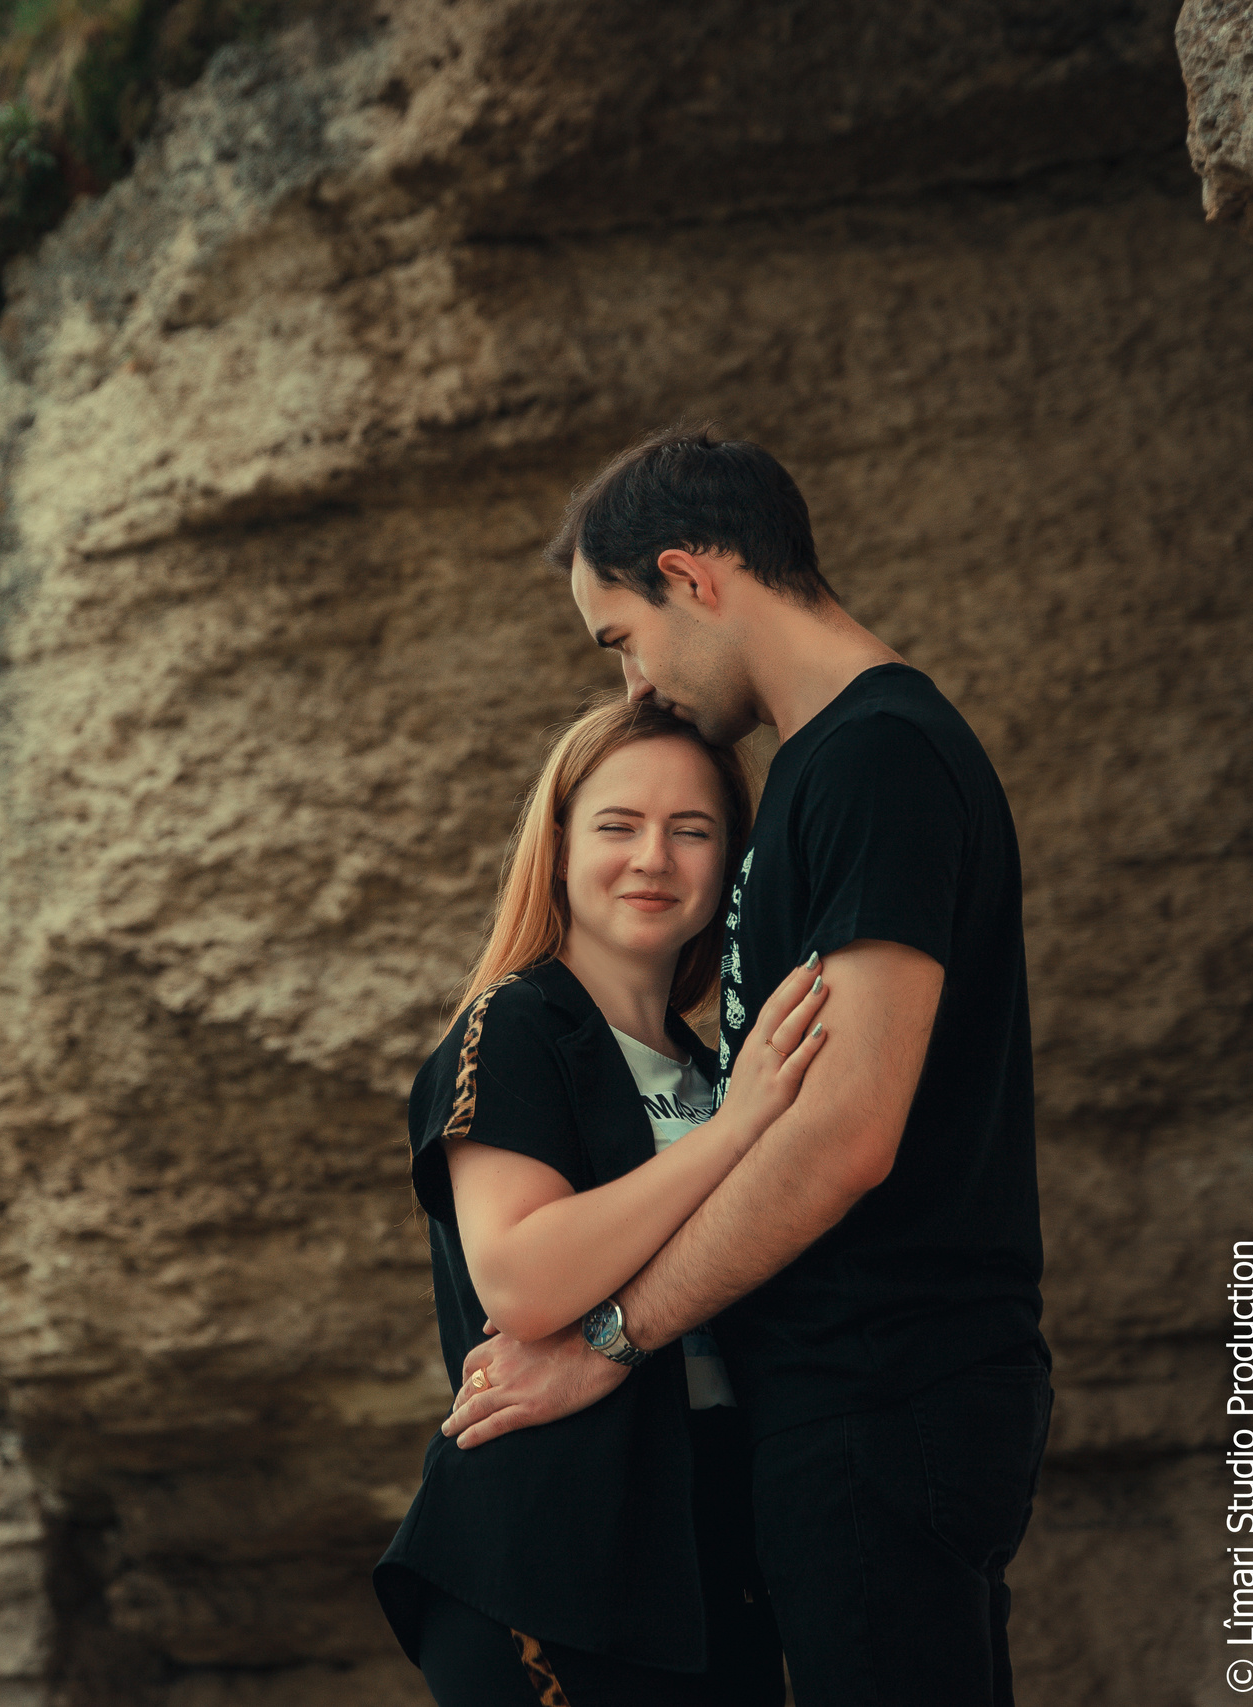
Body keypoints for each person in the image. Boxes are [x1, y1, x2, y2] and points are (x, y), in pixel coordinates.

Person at [437, 426, 1054, 1706]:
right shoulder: (823, 770)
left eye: (622, 637)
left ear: (691, 577)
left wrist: (608, 1339)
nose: (637, 687)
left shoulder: (874, 758)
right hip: (844, 1413)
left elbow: (841, 1134)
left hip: (886, 1396)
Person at [374, 696, 830, 1703]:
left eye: (692, 830)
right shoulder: (518, 1026)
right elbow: (527, 1282)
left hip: (708, 1561)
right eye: (617, 825)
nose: (653, 860)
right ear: (560, 844)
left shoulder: (715, 1067)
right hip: (548, 1563)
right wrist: (737, 1128)